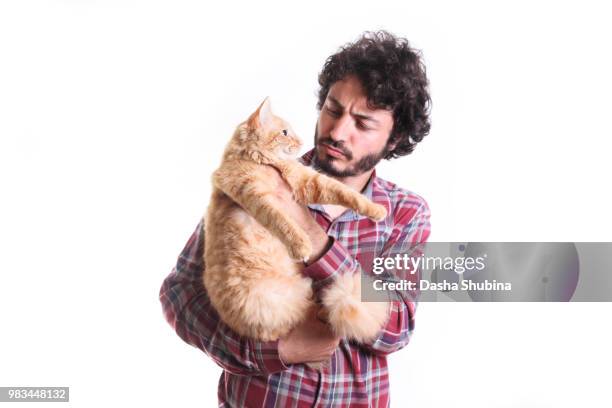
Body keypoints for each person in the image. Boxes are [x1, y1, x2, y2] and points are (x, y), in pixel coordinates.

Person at [159, 30, 432, 407]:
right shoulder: (256, 180)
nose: (337, 131)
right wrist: (276, 351)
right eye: (333, 109)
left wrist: (310, 233)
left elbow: (397, 327)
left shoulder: (407, 213)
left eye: (363, 124)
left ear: (395, 138)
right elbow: (179, 292)